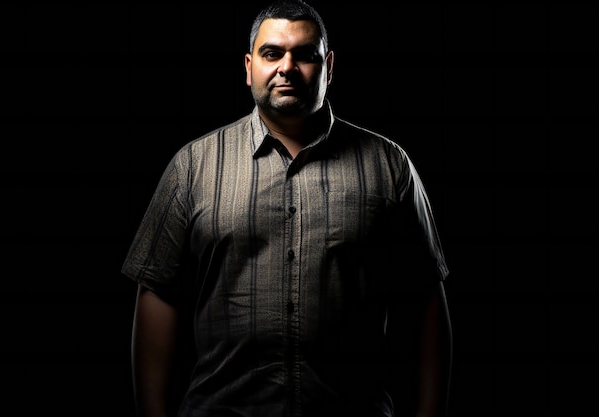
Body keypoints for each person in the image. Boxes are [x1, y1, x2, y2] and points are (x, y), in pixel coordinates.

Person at [122, 1, 452, 416]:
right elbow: (157, 295)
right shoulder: (193, 166)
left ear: (328, 65)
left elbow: (424, 300)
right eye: (272, 53)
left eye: (305, 55)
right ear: (248, 66)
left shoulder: (388, 165)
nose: (287, 67)